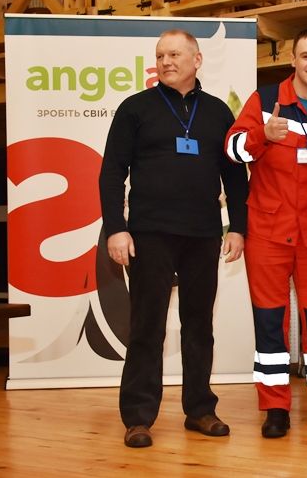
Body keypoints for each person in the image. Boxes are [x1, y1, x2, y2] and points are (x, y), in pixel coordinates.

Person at [99, 29, 248, 448]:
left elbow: (235, 176)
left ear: (196, 60)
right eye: (161, 55)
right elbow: (112, 172)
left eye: (175, 54)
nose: (166, 61)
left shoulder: (218, 112)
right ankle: (138, 418)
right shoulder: (135, 108)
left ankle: (200, 410)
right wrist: (116, 227)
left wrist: (238, 227)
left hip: (203, 233)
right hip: (149, 233)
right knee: (147, 327)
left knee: (199, 326)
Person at [225, 29, 307, 438]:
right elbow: (232, 151)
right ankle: (275, 409)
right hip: (267, 231)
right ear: (293, 60)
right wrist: (263, 135)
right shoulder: (265, 102)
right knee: (270, 322)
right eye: (306, 55)